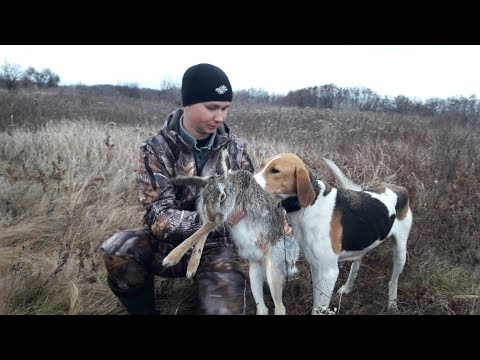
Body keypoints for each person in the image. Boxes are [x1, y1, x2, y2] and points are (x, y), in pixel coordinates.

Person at [101, 63, 266, 315]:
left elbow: (252, 200)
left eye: (225, 109)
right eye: (211, 108)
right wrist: (217, 217)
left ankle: (217, 287)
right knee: (119, 249)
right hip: (167, 245)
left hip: (220, 246)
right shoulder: (155, 149)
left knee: (224, 311)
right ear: (188, 103)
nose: (220, 117)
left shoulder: (237, 150)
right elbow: (159, 218)